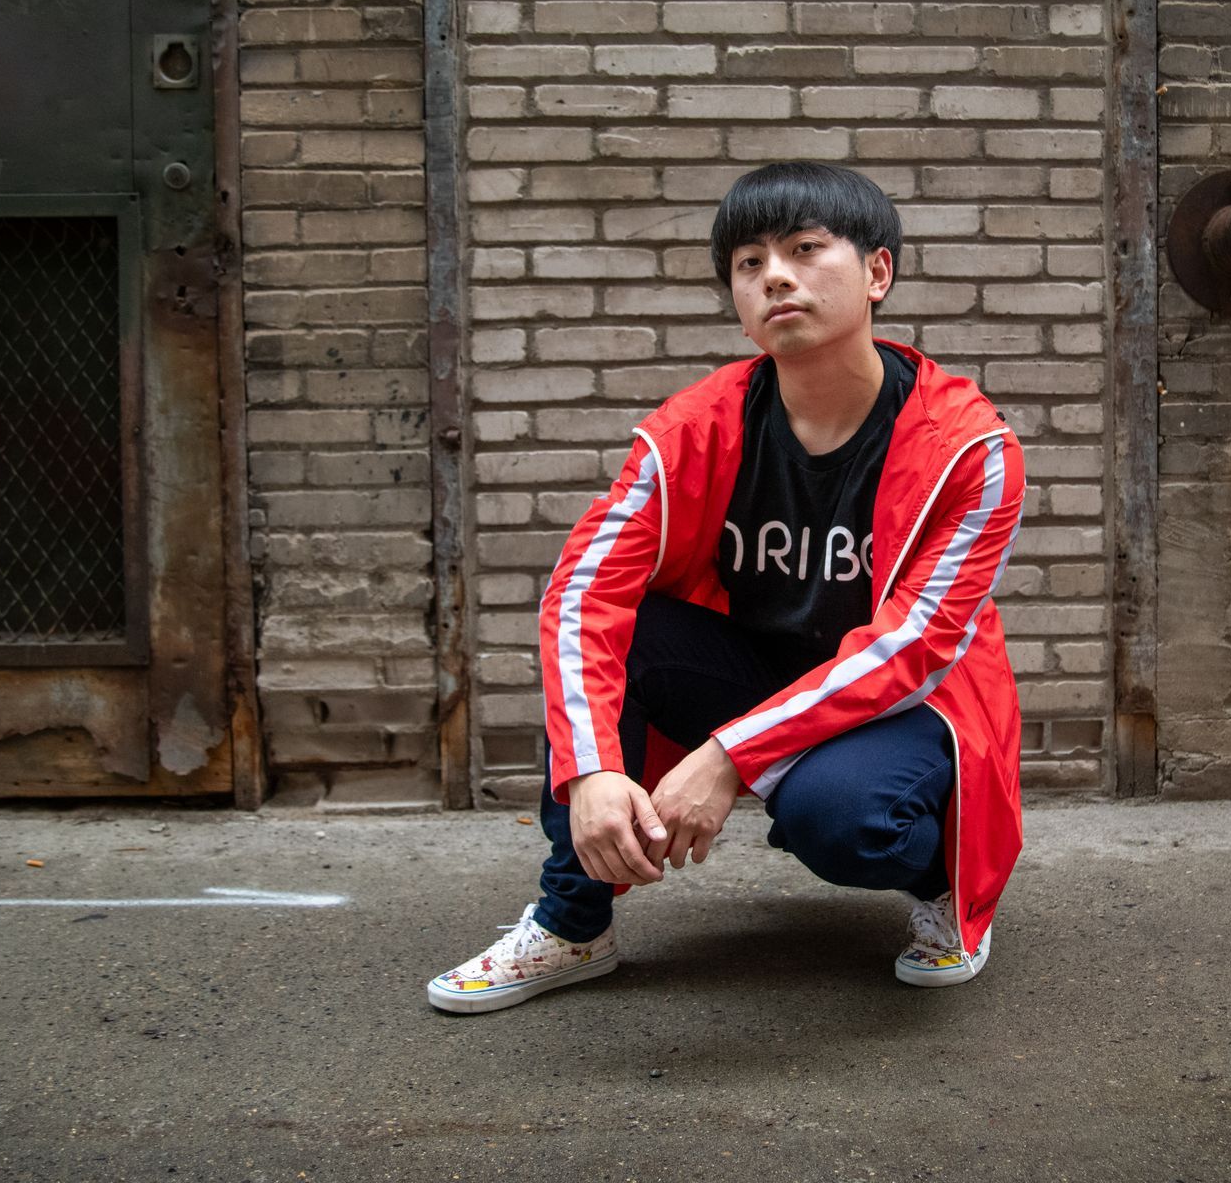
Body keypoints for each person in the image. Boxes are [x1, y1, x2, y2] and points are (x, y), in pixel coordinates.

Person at [428, 161, 1026, 1013]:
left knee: (842, 820)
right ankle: (571, 925)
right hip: (755, 669)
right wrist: (590, 771)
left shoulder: (970, 449)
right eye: (749, 262)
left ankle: (941, 883)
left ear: (877, 272)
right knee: (621, 639)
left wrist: (728, 755)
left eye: (806, 248)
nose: (775, 274)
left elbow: (913, 646)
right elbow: (582, 594)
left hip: (908, 704)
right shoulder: (692, 429)